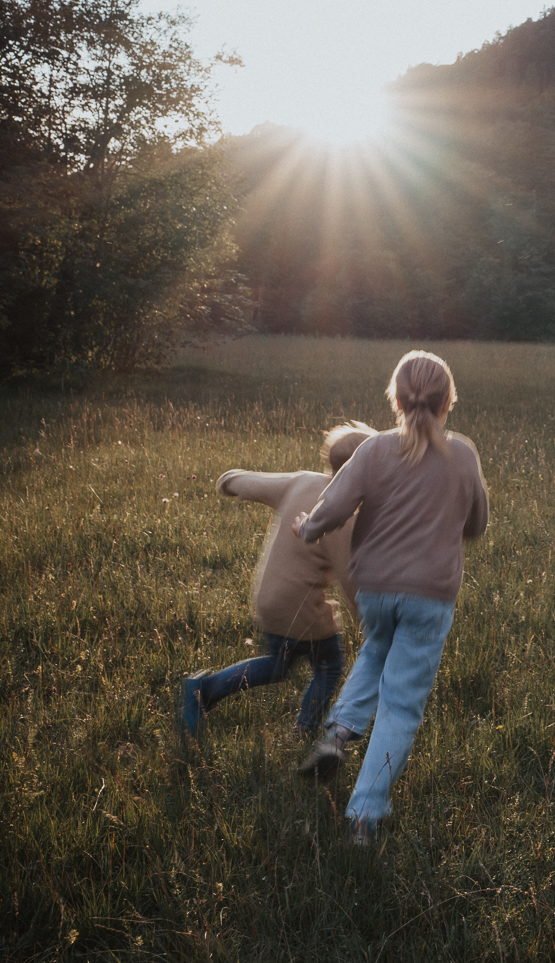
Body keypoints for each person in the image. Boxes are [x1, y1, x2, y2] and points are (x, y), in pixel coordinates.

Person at [292, 350, 489, 844]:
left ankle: (338, 733)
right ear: (448, 403)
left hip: (375, 589)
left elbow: (334, 505)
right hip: (431, 596)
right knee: (401, 705)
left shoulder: (375, 449)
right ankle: (364, 815)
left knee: (375, 653)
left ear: (396, 400)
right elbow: (477, 524)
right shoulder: (462, 454)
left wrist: (308, 527)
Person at [178, 422, 377, 738]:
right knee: (328, 667)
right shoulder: (344, 517)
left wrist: (230, 481)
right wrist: (371, 625)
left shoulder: (301, 481)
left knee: (277, 664)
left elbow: (243, 482)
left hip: (268, 597)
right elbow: (351, 578)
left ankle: (203, 689)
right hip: (302, 609)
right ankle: (305, 729)